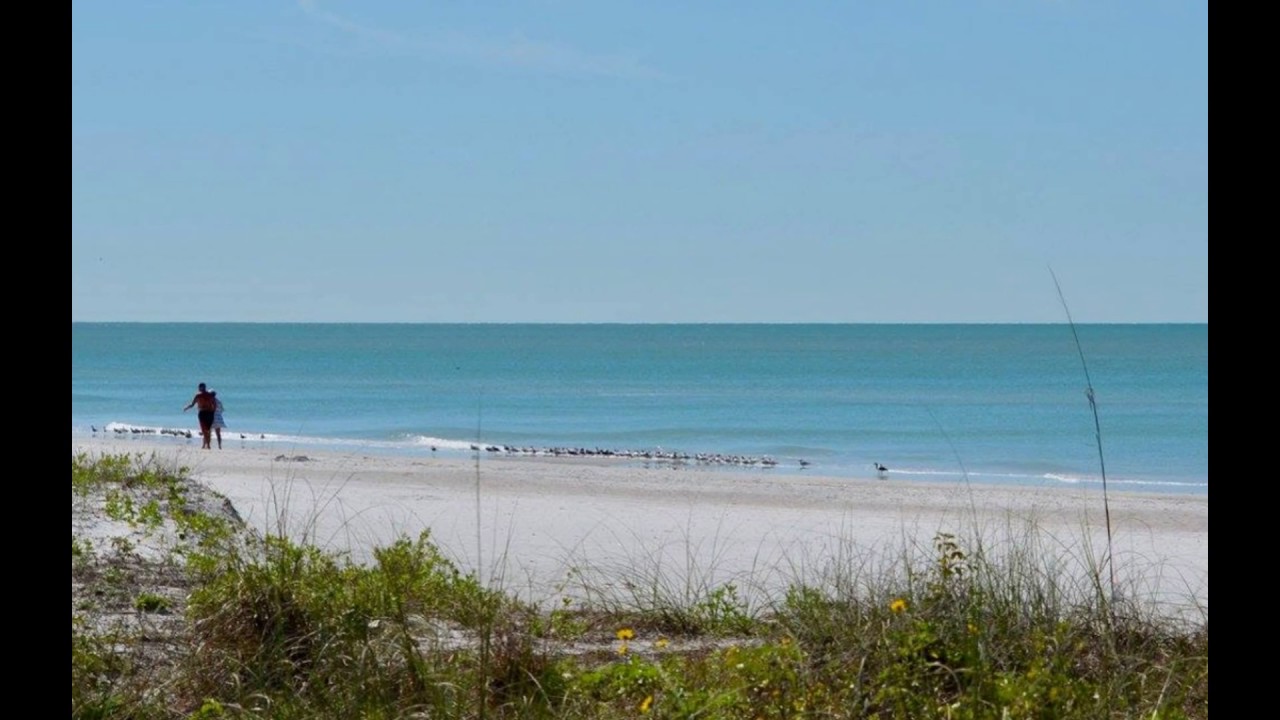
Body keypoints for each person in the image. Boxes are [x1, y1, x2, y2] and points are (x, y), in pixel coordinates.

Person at [183, 383, 217, 449]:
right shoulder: (210, 395)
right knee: (208, 430)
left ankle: (207, 445)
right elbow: (215, 404)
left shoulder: (198, 395)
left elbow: (192, 405)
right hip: (210, 413)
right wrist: (213, 411)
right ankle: (207, 445)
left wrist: (186, 407)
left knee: (204, 430)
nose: (198, 388)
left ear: (201, 387)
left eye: (199, 387)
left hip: (203, 413)